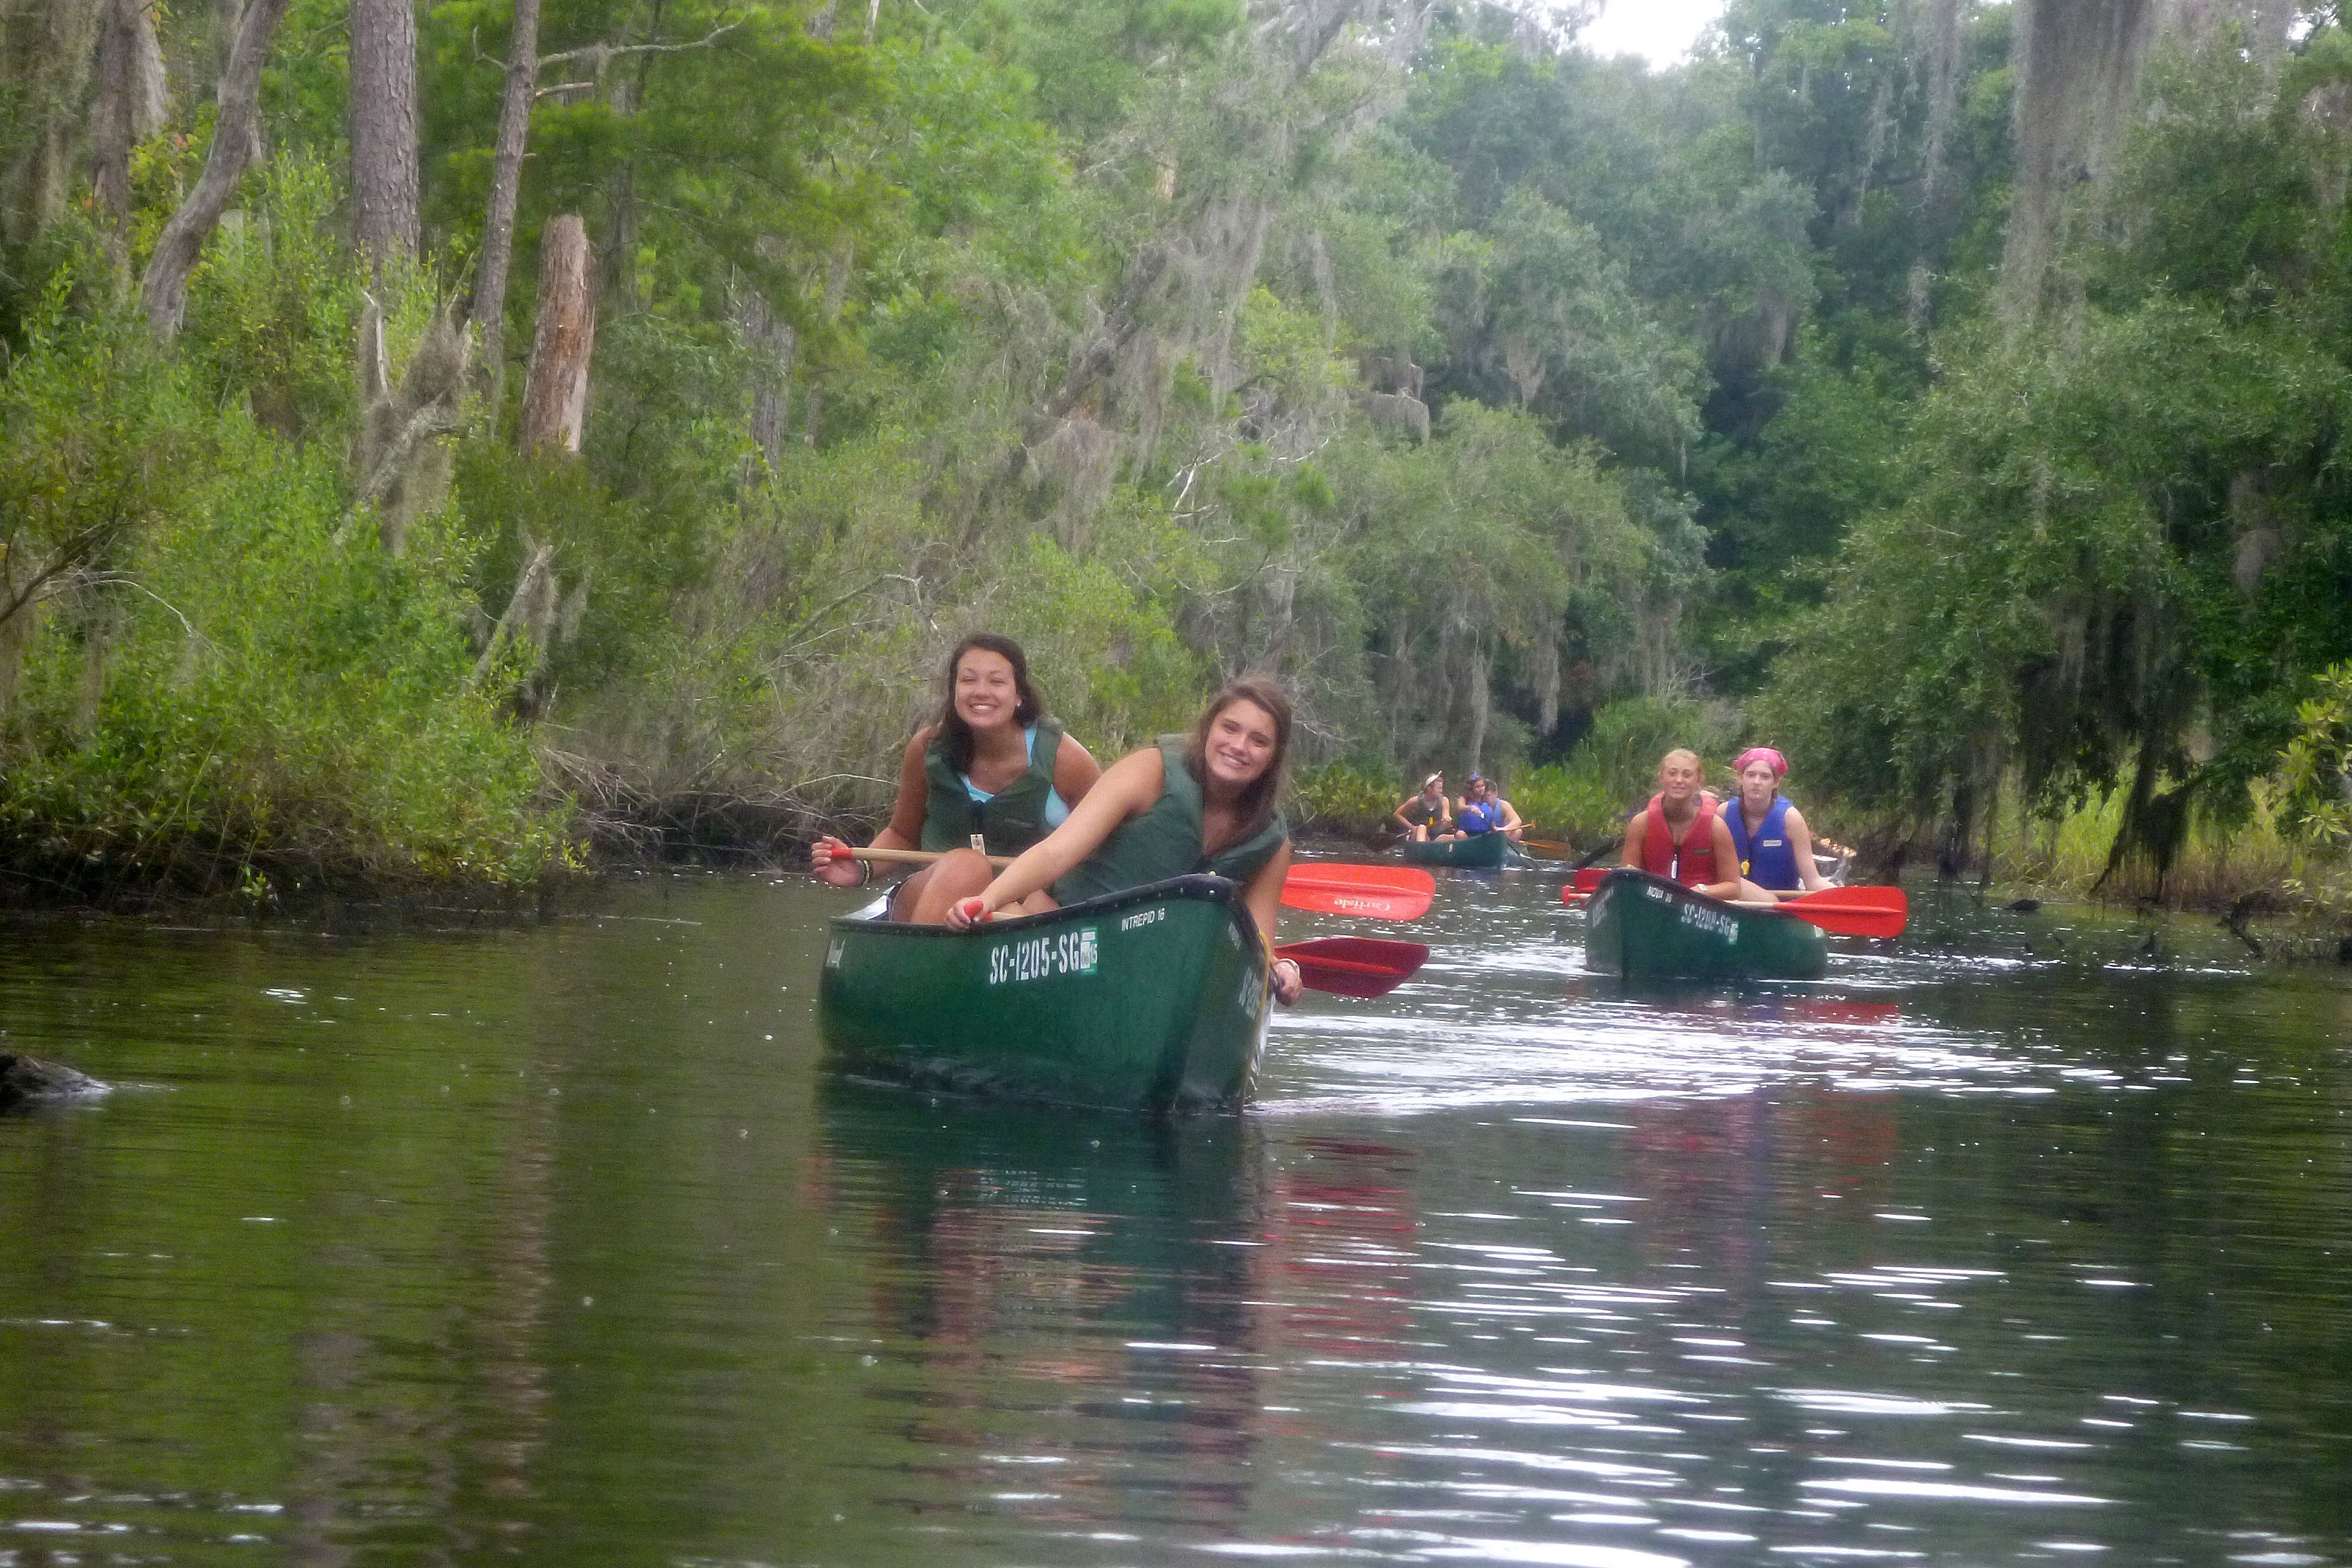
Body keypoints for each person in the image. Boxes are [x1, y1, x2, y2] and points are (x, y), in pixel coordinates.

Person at [944, 676, 1306, 1005]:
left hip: (1159, 977)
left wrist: (1284, 967)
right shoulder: (1149, 771)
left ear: (1273, 757)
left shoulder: (1271, 843)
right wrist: (988, 898)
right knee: (1016, 915)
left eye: (1258, 741)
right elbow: (1057, 852)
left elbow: (1256, 947)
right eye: (1230, 729)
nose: (1239, 746)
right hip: (1068, 938)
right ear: (1209, 729)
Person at [811, 633, 1102, 923]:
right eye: (968, 680)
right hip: (929, 896)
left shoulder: (1066, 760)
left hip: (1017, 907)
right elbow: (902, 834)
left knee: (1020, 910)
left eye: (997, 681)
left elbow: (1107, 850)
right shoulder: (927, 749)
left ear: (1019, 695)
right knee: (967, 864)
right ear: (954, 691)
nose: (980, 692)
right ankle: (921, 958)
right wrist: (862, 868)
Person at [1617, 748, 1765, 901]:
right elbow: (1627, 878)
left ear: (1698, 780)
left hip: (1699, 906)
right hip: (1652, 904)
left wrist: (1702, 890)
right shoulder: (1641, 824)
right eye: (1672, 773)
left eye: (1687, 775)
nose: (1679, 780)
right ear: (1661, 777)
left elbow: (1733, 887)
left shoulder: (1716, 827)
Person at [1726, 746, 1829, 898]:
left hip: (1781, 904)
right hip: (1734, 901)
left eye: (1765, 777)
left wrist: (1842, 896)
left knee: (1768, 900)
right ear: (1741, 778)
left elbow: (1813, 881)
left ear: (1776, 782)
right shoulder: (1723, 813)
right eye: (1751, 775)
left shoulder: (1791, 819)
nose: (1756, 782)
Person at [1453, 772, 1523, 843]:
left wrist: (1500, 829)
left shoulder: (1487, 803)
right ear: (1472, 789)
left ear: (1496, 794)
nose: (1481, 789)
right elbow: (1460, 807)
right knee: (1460, 834)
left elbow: (1490, 820)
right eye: (1478, 787)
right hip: (1469, 835)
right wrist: (1470, 808)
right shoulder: (1464, 799)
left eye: (1482, 786)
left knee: (1518, 832)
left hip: (1485, 835)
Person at [1392, 774, 1451, 841]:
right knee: (1422, 828)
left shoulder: (1444, 800)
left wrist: (1447, 821)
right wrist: (1412, 827)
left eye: (1442, 788)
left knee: (1460, 835)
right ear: (1429, 789)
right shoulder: (1415, 801)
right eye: (1439, 788)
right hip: (1419, 834)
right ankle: (1421, 848)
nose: (1441, 791)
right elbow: (1397, 814)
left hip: (1436, 836)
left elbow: (1446, 818)